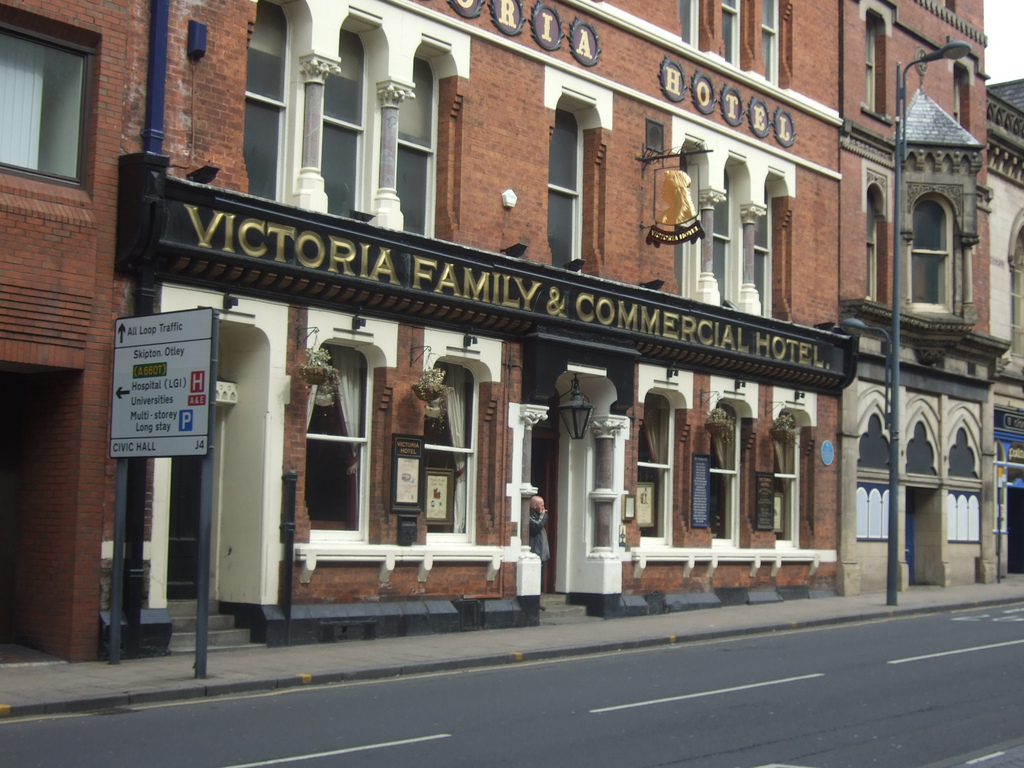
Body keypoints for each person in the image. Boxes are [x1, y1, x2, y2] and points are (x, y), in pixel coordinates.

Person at [529, 495, 550, 591]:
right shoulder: (529, 515)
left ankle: (538, 598)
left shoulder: (538, 516)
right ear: (534, 506)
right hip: (535, 552)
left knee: (540, 579)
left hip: (542, 553)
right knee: (533, 578)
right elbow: (536, 527)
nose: (543, 508)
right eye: (541, 505)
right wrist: (543, 516)